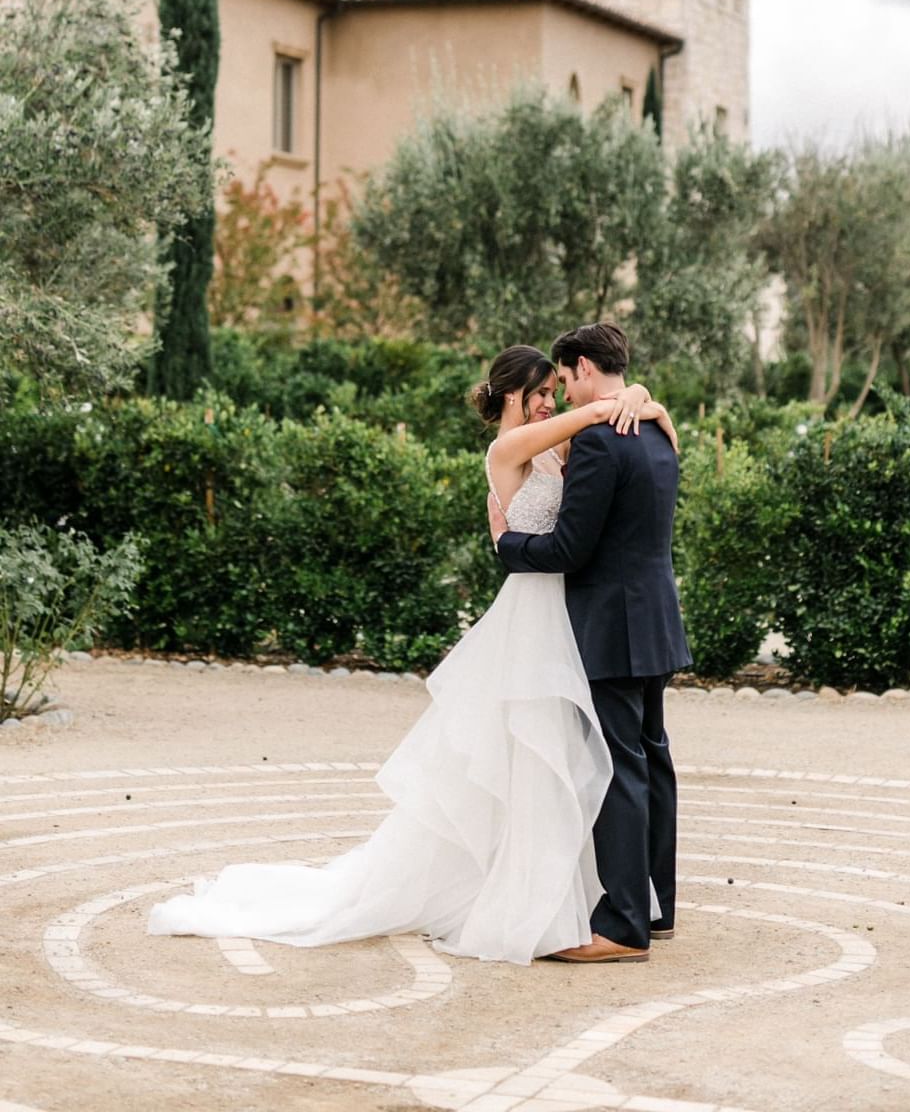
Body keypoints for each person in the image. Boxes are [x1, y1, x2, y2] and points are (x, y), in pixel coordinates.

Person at [147, 344, 676, 966]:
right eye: (540, 392)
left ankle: (592, 897)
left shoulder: (554, 442)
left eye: (555, 392)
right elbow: (591, 422)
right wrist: (635, 401)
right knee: (537, 755)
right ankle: (563, 899)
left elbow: (595, 436)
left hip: (569, 618)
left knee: (569, 760)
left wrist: (639, 399)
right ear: (513, 396)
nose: (551, 401)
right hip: (535, 615)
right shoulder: (510, 449)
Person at [490, 322, 691, 965]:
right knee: (652, 759)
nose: (563, 396)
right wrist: (641, 398)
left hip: (611, 624)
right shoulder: (659, 432)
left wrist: (506, 546)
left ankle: (624, 925)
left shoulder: (602, 443)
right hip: (656, 618)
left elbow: (570, 549)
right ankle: (656, 906)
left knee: (620, 768)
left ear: (580, 367)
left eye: (564, 382)